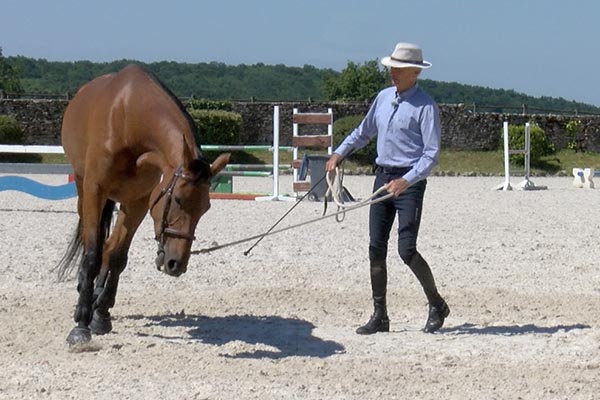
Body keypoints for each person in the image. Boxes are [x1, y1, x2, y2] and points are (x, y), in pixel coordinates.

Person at [325, 42, 449, 334]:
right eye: (392, 67)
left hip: (410, 183)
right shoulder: (382, 98)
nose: (392, 72)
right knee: (375, 248)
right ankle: (380, 315)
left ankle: (437, 304)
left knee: (406, 250)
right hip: (382, 179)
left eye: (399, 68)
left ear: (414, 72)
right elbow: (363, 131)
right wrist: (338, 153)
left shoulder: (426, 107)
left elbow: (431, 155)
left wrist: (406, 180)